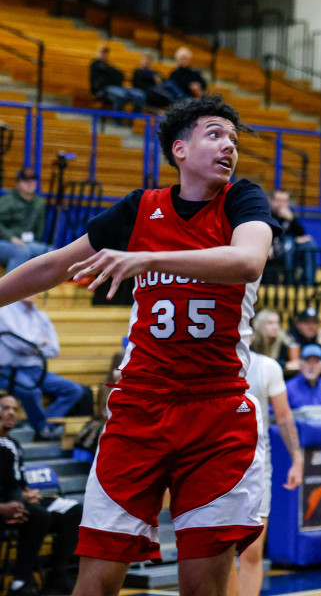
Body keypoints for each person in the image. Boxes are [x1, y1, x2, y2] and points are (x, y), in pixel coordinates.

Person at [0, 94, 278, 596]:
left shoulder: (244, 200)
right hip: (139, 408)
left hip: (215, 412)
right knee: (96, 582)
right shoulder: (140, 208)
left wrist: (148, 260)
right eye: (215, 134)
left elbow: (248, 261)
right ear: (180, 149)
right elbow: (51, 265)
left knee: (204, 587)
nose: (229, 146)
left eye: (234, 139)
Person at [227, 345, 303, 596]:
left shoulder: (267, 366)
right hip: (217, 467)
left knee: (252, 549)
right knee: (222, 551)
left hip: (255, 469)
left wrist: (297, 458)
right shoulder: (208, 361)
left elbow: (283, 417)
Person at [0, 392, 84, 595]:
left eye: (15, 409)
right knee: (38, 516)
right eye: (5, 408)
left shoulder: (14, 445)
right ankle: (20, 581)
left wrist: (27, 493)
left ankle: (57, 577)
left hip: (17, 502)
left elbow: (15, 481)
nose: (11, 413)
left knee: (74, 510)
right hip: (4, 507)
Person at [0, 294, 87, 440]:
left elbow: (53, 349)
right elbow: (18, 344)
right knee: (32, 391)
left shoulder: (41, 316)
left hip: (35, 369)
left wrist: (33, 345)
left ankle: (41, 425)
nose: (30, 292)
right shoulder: (4, 312)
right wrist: (41, 342)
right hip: (7, 369)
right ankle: (43, 428)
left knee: (75, 390)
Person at [0, 167, 53, 271]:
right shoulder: (7, 201)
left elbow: (40, 227)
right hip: (5, 241)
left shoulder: (39, 202)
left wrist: (35, 241)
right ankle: (10, 286)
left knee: (50, 252)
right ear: (18, 184)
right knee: (21, 252)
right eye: (26, 181)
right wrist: (11, 237)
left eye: (33, 180)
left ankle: (39, 286)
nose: (30, 183)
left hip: (27, 242)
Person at [268, 189, 319, 285]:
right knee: (289, 242)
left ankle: (308, 282)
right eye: (278, 200)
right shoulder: (267, 215)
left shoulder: (288, 216)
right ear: (272, 201)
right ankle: (289, 280)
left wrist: (291, 218)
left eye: (284, 201)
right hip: (273, 248)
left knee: (309, 243)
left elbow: (301, 233)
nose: (281, 204)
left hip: (289, 248)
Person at [89, 45, 144, 114]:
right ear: (97, 53)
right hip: (102, 89)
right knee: (121, 96)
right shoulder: (95, 64)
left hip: (116, 87)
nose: (104, 55)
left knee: (139, 95)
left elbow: (121, 76)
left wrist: (110, 73)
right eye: (102, 52)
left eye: (106, 53)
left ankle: (133, 118)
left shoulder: (109, 65)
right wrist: (112, 74)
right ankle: (117, 120)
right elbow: (110, 76)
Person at [286, 344, 321, 409]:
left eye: (316, 362)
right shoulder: (288, 388)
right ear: (300, 365)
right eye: (307, 361)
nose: (311, 366)